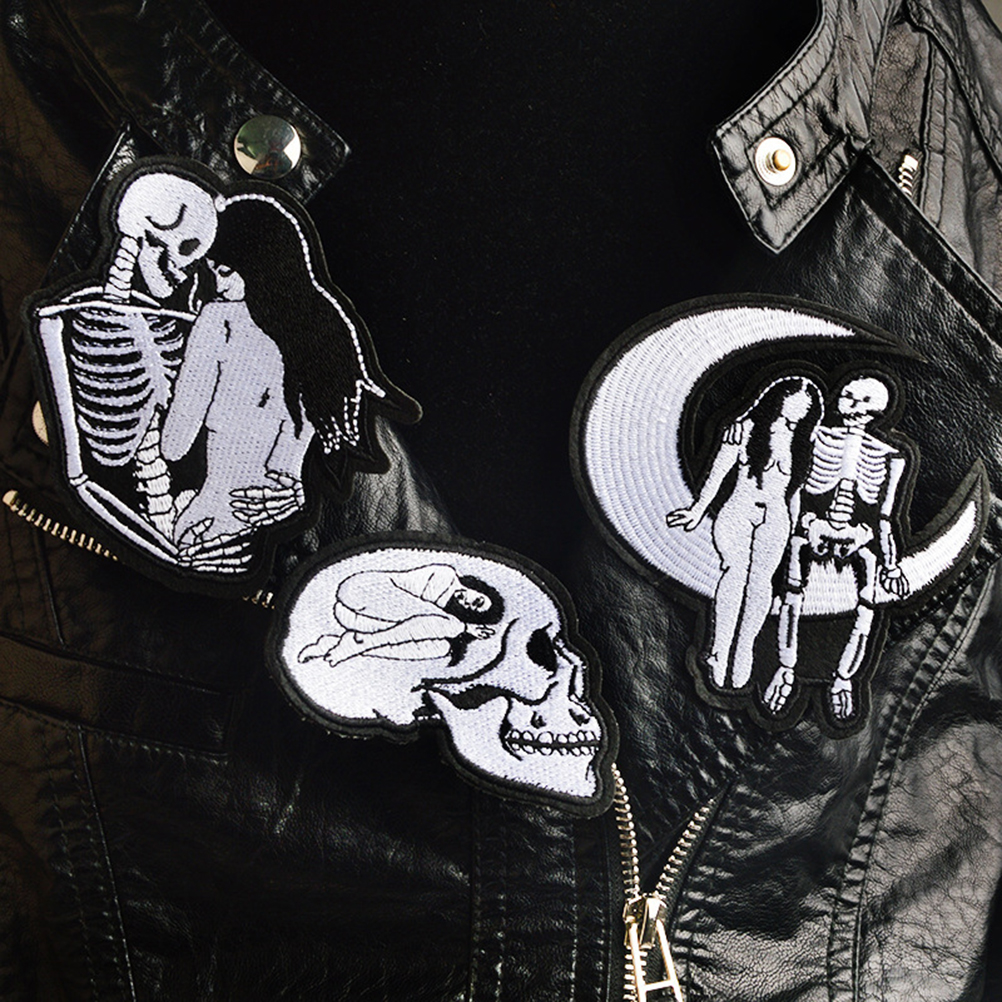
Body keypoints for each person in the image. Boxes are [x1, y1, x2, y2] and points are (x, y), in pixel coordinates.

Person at [666, 376, 823, 689]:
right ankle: (719, 649)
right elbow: (718, 472)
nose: (798, 414)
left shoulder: (803, 443)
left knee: (761, 583)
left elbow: (794, 492)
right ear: (778, 399)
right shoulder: (746, 429)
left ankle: (744, 648)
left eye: (805, 410)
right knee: (735, 572)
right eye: (794, 405)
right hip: (740, 508)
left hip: (776, 517)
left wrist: (794, 531)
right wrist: (697, 510)